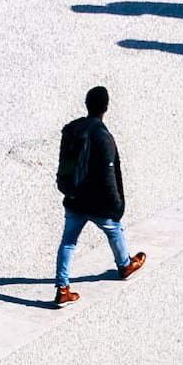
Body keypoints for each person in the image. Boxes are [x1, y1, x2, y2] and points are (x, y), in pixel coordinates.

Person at [51, 84, 139, 304]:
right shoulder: (102, 137)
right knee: (114, 229)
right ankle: (125, 265)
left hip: (74, 197)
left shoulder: (73, 129)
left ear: (86, 105)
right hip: (96, 203)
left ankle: (62, 288)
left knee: (68, 242)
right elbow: (109, 176)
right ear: (105, 108)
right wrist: (116, 205)